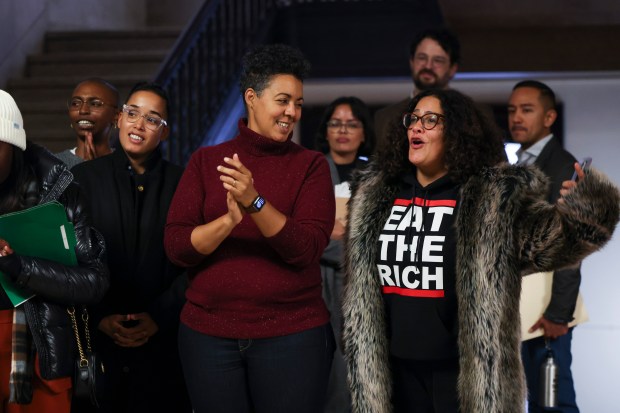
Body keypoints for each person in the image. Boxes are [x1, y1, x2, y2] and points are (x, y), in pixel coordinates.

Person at [341, 88, 619, 412]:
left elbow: (559, 243)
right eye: (413, 119)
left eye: (431, 120)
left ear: (457, 132)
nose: (416, 127)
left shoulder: (489, 202)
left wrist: (588, 208)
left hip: (462, 375)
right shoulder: (378, 195)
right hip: (392, 370)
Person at [164, 43, 336, 413]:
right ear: (251, 98)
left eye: (299, 103)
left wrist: (255, 200)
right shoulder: (206, 161)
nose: (292, 112)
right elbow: (177, 247)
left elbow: (305, 249)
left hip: (292, 335)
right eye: (284, 100)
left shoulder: (312, 165)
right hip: (208, 336)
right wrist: (228, 221)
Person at [71, 82, 190, 413]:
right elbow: (66, 259)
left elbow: (196, 263)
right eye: (133, 113)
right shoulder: (82, 179)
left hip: (163, 344)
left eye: (153, 119)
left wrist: (158, 317)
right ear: (119, 119)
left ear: (164, 132)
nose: (139, 124)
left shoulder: (184, 184)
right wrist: (99, 317)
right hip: (97, 342)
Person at [0, 89, 109, 412]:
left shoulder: (58, 191)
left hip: (38, 352)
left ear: (13, 143)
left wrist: (20, 267)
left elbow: (94, 280)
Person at [508, 80, 581, 413]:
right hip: (522, 304)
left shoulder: (563, 165)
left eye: (526, 110)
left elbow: (573, 244)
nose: (516, 118)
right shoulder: (520, 162)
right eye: (511, 110)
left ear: (549, 117)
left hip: (546, 308)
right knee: (536, 400)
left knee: (554, 402)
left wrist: (558, 313)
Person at [314, 96, 375, 413]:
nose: (343, 131)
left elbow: (380, 237)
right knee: (325, 368)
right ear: (325, 130)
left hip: (365, 284)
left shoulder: (376, 176)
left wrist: (339, 234)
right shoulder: (311, 170)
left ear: (364, 132)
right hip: (317, 282)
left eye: (352, 124)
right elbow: (302, 233)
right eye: (336, 123)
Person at [373, 27, 460, 149]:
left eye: (438, 60)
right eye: (422, 58)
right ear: (411, 62)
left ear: (452, 69)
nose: (428, 66)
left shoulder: (475, 115)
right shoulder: (385, 118)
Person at [55, 78, 119, 168]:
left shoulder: (126, 164)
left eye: (95, 104)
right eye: (75, 103)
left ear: (116, 116)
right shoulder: (52, 166)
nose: (83, 110)